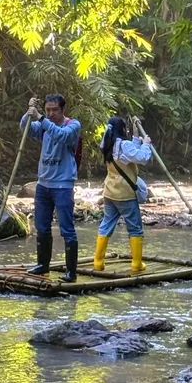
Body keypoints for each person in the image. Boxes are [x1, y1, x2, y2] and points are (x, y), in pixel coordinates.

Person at [20, 93, 81, 282]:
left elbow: (61, 135)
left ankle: (71, 272)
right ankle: (43, 265)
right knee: (42, 227)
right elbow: (25, 127)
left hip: (62, 185)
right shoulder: (44, 126)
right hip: (43, 184)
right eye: (48, 110)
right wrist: (29, 112)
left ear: (63, 109)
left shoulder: (73, 126)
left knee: (66, 228)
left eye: (55, 110)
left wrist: (41, 117)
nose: (51, 113)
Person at [93, 116, 152, 273]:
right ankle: (136, 264)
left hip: (109, 192)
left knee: (106, 224)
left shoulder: (107, 144)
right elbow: (142, 158)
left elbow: (129, 155)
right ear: (122, 129)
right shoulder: (123, 145)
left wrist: (135, 134)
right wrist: (146, 145)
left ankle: (98, 262)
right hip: (125, 194)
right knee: (135, 228)